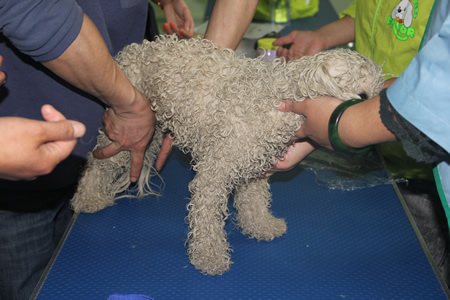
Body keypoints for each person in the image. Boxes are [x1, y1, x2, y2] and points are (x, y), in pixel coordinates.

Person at [0, 0, 258, 298]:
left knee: (89, 272)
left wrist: (197, 89)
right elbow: (33, 9)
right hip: (20, 150)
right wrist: (131, 105)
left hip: (118, 130)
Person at [269, 0, 450, 284]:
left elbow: (434, 87)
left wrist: (337, 124)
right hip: (372, 142)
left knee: (414, 275)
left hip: (425, 175)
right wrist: (323, 37)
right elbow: (373, 14)